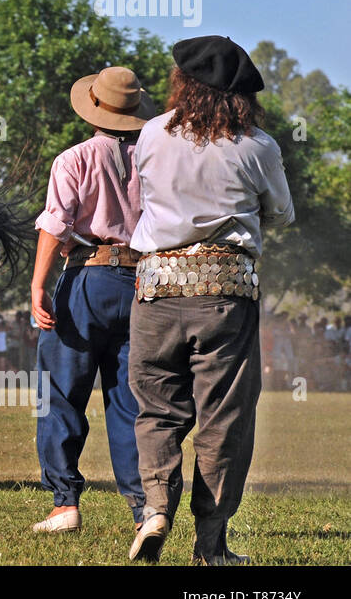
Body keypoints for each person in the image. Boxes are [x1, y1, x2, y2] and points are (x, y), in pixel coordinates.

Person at [126, 36, 294, 565]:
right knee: (224, 419)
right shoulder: (258, 145)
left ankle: (155, 508)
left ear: (184, 83)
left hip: (154, 290)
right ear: (242, 94)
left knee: (156, 409)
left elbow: (143, 196)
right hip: (224, 293)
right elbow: (282, 214)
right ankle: (211, 545)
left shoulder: (152, 133)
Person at [30, 65, 155, 535]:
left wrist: (38, 284)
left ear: (94, 109)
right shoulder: (155, 160)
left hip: (86, 277)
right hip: (141, 282)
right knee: (130, 399)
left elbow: (56, 224)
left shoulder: (74, 158)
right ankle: (145, 509)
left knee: (61, 393)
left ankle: (65, 504)